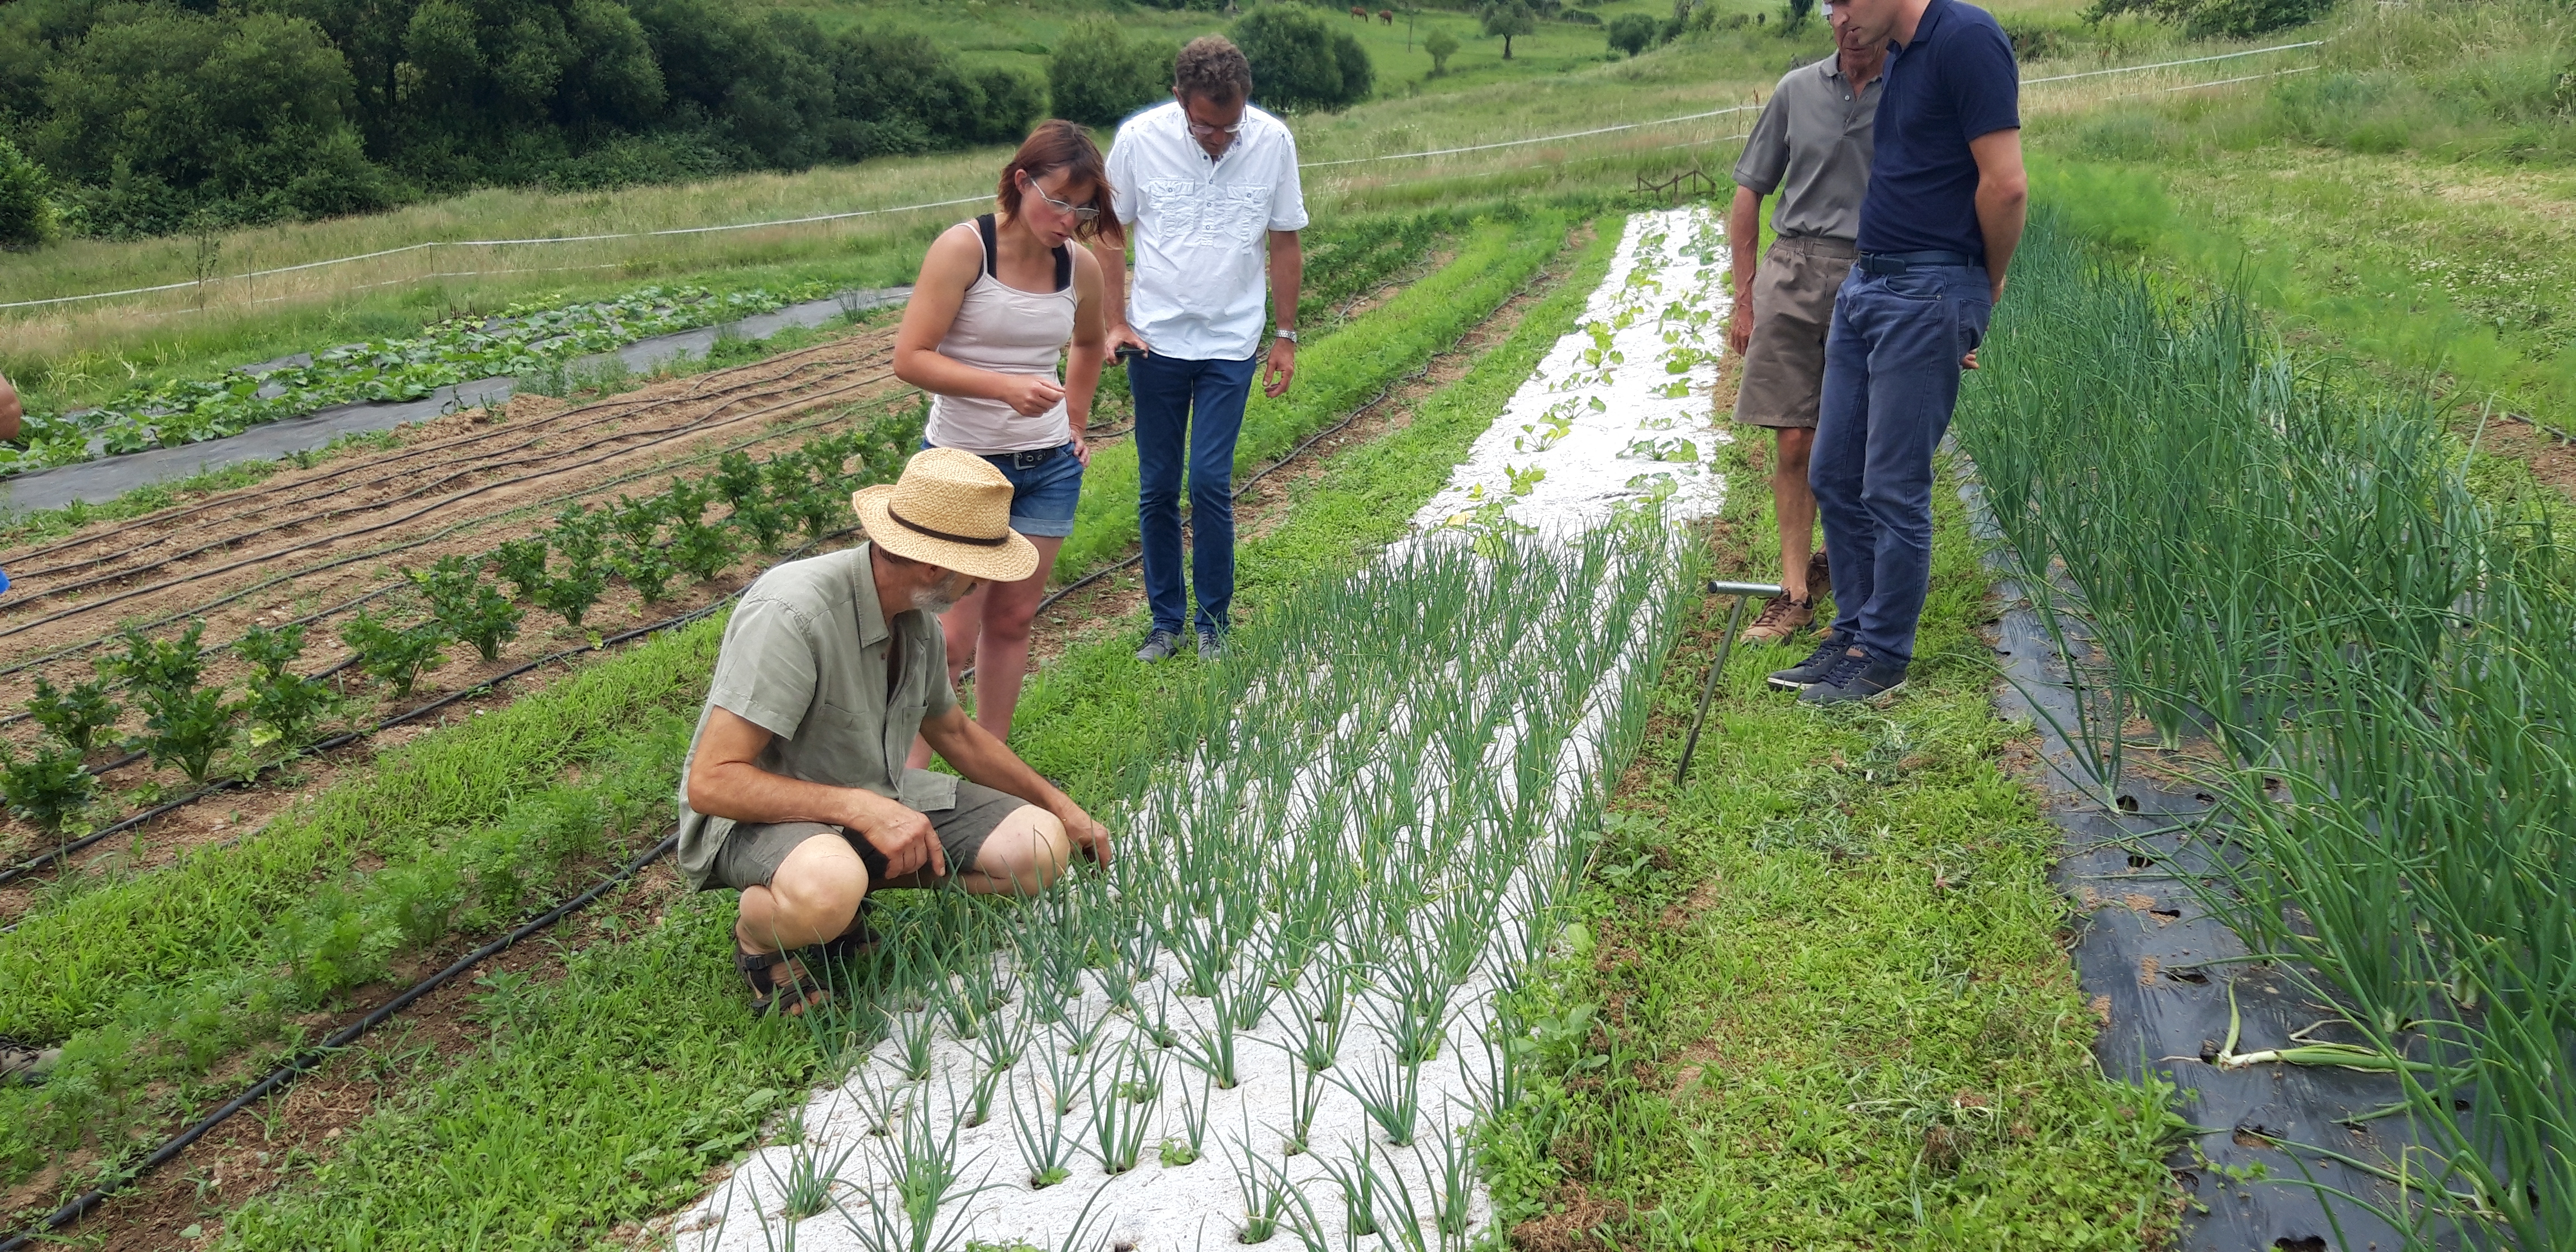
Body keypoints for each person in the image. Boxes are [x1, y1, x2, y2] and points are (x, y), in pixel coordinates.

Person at [678, 448, 1114, 1017]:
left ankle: (843, 898)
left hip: (872, 795)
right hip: (763, 816)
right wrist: (862, 809)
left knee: (1039, 848)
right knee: (826, 884)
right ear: (935, 567)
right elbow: (712, 783)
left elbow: (954, 732)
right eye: (980, 570)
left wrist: (1063, 807)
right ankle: (764, 937)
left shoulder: (915, 618)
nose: (982, 584)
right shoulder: (792, 614)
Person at [1772, 0, 2025, 705]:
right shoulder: (1904, 55)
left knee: (1893, 484)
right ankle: (1852, 632)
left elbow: (2006, 183)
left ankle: (1884, 654)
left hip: (1927, 287)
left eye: (1847, 1)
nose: (1838, 18)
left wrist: (1981, 285)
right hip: (1869, 280)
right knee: (1835, 472)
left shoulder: (1966, 39)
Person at [896, 121, 1116, 760]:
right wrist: (1003, 388)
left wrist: (1073, 422)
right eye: (1058, 200)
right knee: (952, 634)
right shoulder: (965, 250)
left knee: (1014, 620)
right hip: (963, 466)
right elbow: (910, 358)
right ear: (1021, 182)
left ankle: (992, 764)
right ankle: (910, 778)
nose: (1069, 219)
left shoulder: (1079, 266)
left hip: (1047, 467)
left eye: (1084, 208)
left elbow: (1085, 344)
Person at [1093, 35, 1308, 665]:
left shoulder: (1273, 141)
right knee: (1158, 486)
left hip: (1232, 340)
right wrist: (1113, 322)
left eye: (1230, 124)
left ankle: (1215, 621)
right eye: (1207, 126)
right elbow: (1110, 229)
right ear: (1181, 100)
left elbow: (1286, 240)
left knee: (1209, 481)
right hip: (1155, 340)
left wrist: (1286, 335)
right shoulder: (1138, 140)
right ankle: (1166, 622)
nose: (1220, 138)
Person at [1727, 0, 1886, 647]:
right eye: (1835, 6)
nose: (1846, 20)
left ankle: (1858, 584)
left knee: (1861, 445)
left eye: (1858, 5)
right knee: (1794, 440)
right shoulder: (1796, 90)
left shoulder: (1910, 90)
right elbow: (1748, 195)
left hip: (1874, 273)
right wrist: (1745, 298)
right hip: (1793, 270)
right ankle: (1794, 590)